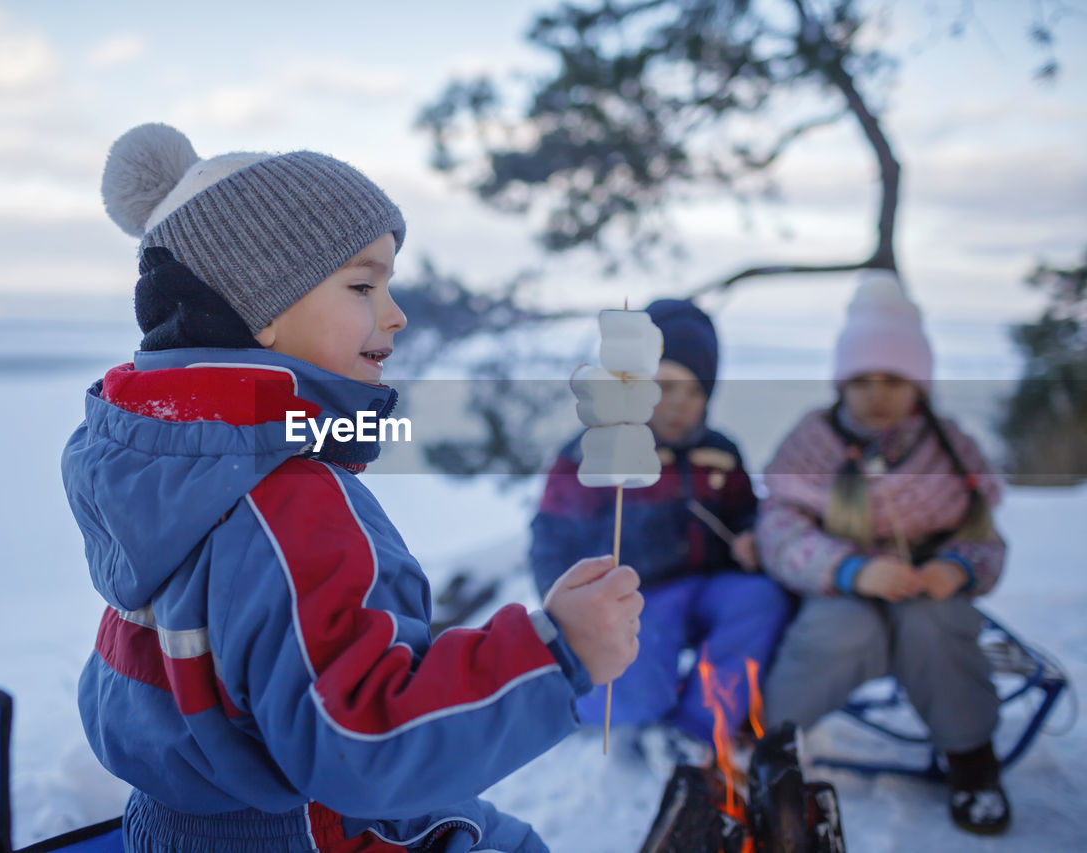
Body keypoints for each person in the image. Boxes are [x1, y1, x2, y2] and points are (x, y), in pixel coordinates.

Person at [63, 123, 643, 852]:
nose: (396, 314)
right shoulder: (287, 499)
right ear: (261, 309)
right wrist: (557, 651)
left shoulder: (165, 467)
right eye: (363, 285)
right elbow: (360, 739)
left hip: (180, 823)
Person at [756, 269, 1011, 835]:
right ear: (841, 382)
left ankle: (971, 759)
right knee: (835, 631)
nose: (877, 394)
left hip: (926, 588)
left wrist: (958, 567)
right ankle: (767, 743)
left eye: (893, 379)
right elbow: (779, 530)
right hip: (842, 586)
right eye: (862, 379)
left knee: (939, 627)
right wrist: (849, 569)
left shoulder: (948, 444)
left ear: (919, 383)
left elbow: (983, 535)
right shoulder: (815, 440)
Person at [529, 299, 793, 754]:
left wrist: (750, 536)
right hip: (633, 596)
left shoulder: (720, 450)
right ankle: (582, 700)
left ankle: (698, 724)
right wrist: (570, 614)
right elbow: (552, 539)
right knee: (637, 691)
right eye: (667, 386)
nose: (679, 405)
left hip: (708, 586)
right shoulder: (595, 451)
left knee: (761, 600)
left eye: (695, 392)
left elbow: (744, 511)